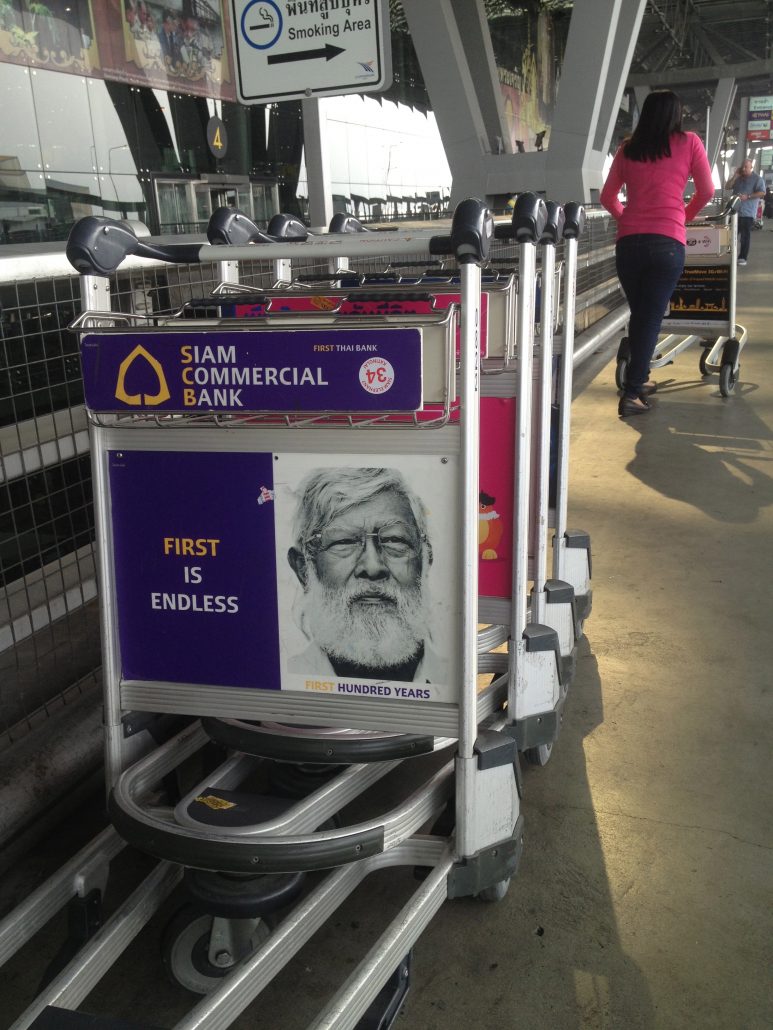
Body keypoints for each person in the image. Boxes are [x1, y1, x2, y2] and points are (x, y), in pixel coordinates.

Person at [600, 90, 714, 417]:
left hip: (629, 245)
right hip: (667, 244)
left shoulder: (627, 149)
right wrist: (682, 217)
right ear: (676, 114)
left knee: (641, 315)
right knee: (649, 317)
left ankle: (640, 378)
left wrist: (627, 219)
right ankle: (632, 393)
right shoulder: (689, 142)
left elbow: (608, 197)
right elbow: (706, 191)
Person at [286, 466, 448, 683]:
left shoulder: (455, 680)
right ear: (304, 569)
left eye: (394, 540)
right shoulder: (283, 680)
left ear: (426, 560)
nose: (373, 567)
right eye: (344, 542)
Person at [729, 158, 766, 266]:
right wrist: (735, 176)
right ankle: (730, 255)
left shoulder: (757, 179)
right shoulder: (738, 178)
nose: (744, 169)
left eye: (746, 167)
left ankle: (742, 257)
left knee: (745, 236)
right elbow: (727, 186)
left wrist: (748, 196)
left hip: (748, 212)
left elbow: (762, 192)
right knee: (731, 235)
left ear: (751, 167)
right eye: (743, 167)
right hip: (735, 211)